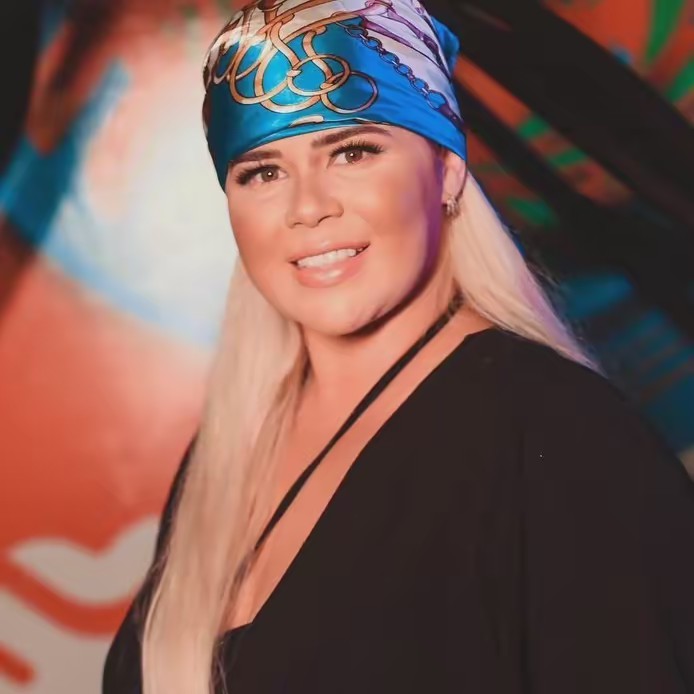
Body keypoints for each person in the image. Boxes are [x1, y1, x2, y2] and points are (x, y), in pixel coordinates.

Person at [103, 0, 694, 692]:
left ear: (447, 170)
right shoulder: (226, 453)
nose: (307, 207)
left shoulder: (563, 436)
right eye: (263, 171)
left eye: (352, 152)